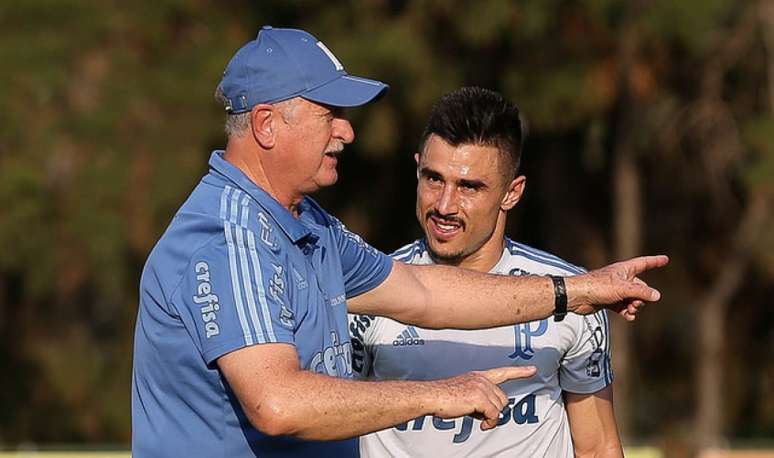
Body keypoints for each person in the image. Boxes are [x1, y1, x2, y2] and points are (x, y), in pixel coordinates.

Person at [131, 26, 667, 458]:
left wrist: (573, 291)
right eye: (330, 115)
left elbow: (422, 292)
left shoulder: (307, 225)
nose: (347, 132)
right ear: (268, 125)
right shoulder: (231, 238)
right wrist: (442, 394)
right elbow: (277, 402)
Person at [350, 87, 623, 457]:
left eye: (469, 187)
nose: (444, 205)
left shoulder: (573, 297)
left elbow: (597, 448)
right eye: (433, 178)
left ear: (512, 193)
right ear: (416, 168)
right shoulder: (367, 292)